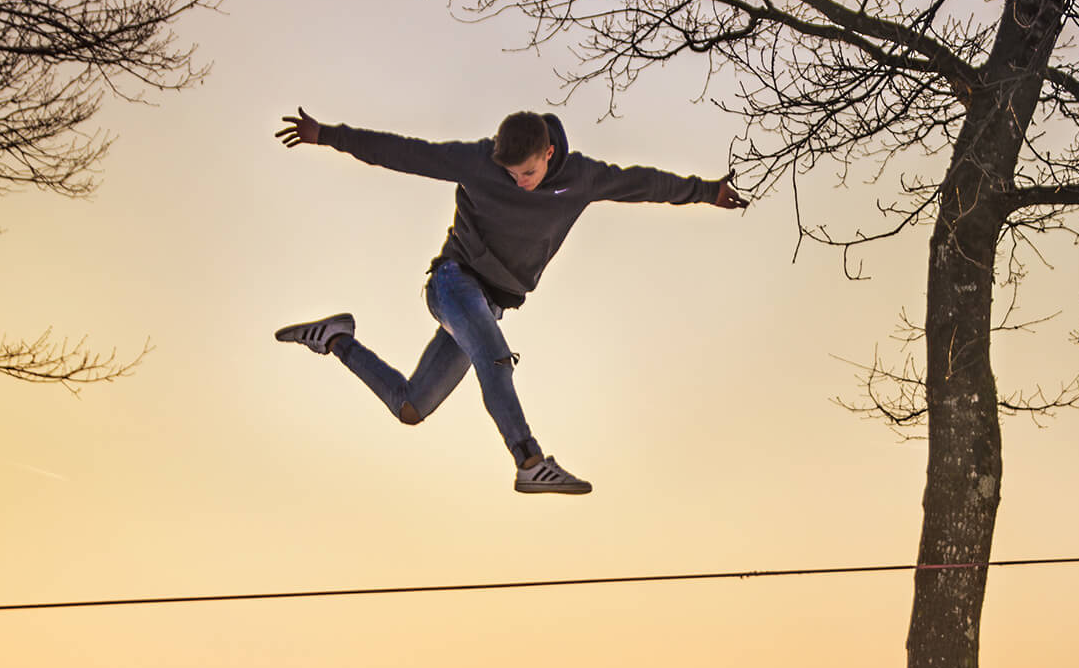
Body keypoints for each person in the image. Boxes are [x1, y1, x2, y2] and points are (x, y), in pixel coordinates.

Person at [272, 108, 747, 494]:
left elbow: (646, 183)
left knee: (411, 407)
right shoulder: (479, 162)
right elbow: (406, 153)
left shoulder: (583, 178)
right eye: (510, 173)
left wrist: (708, 192)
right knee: (494, 359)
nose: (519, 181)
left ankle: (335, 340)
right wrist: (328, 135)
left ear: (549, 152)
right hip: (454, 284)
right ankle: (529, 459)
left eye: (528, 172)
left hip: (489, 303)